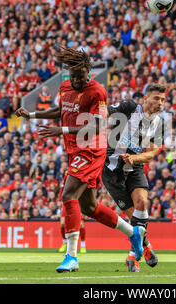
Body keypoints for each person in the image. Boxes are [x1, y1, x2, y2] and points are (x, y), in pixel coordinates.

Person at [15, 46, 145, 273]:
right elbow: (61, 109)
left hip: (92, 149)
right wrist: (32, 114)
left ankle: (71, 257)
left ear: (88, 73)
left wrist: (61, 130)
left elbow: (97, 125)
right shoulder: (65, 86)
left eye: (80, 76)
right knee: (90, 207)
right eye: (72, 76)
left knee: (67, 194)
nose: (75, 81)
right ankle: (133, 233)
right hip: (74, 149)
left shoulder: (97, 91)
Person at [102, 83, 165, 272]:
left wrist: (134, 158)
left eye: (162, 100)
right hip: (112, 171)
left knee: (143, 204)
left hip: (135, 166)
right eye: (156, 98)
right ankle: (146, 246)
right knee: (135, 221)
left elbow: (153, 152)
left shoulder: (158, 123)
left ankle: (132, 257)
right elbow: (104, 111)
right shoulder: (129, 108)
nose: (160, 103)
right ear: (145, 98)